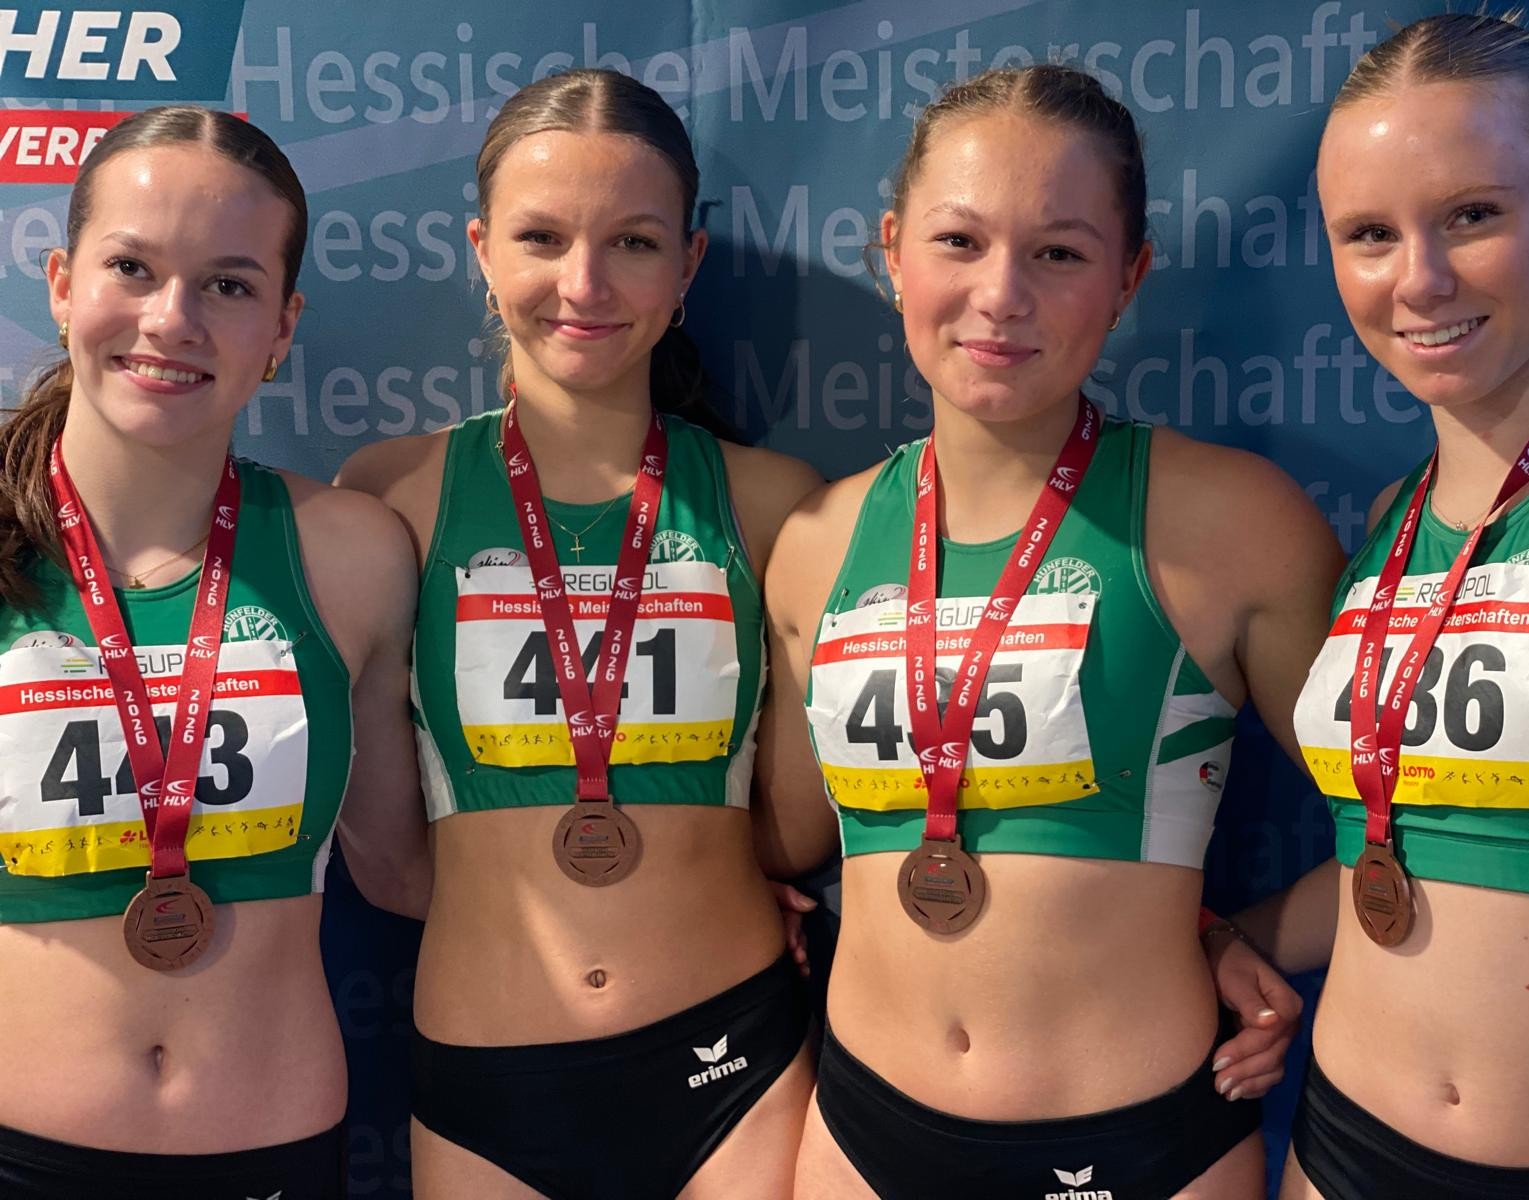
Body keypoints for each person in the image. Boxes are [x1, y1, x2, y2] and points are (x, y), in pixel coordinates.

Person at [756, 64, 1346, 1200]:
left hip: (1143, 1144)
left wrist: (1236, 933)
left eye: (1060, 253)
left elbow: (1417, 830)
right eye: (959, 242)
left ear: (1129, 278)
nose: (1001, 295)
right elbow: (785, 843)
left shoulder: (1232, 525)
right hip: (863, 1135)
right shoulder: (817, 543)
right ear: (893, 253)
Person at [337, 69, 823, 1200]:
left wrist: (695, 871)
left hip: (732, 1061)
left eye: (634, 243)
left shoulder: (775, 503)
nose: (585, 283)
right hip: (488, 1073)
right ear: (481, 250)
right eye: (542, 237)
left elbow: (798, 823)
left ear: (688, 264)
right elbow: (390, 857)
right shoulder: (391, 498)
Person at [0, 106, 426, 1200]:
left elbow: (405, 869)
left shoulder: (351, 555)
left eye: (228, 285)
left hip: (270, 1151)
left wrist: (688, 893)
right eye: (132, 268)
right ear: (61, 284)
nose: (171, 319)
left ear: (282, 327)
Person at [1232, 14, 1529, 1200]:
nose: (1419, 279)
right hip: (1342, 1147)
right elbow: (1394, 854)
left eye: (1472, 215)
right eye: (1370, 234)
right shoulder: (1392, 523)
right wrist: (1228, 940)